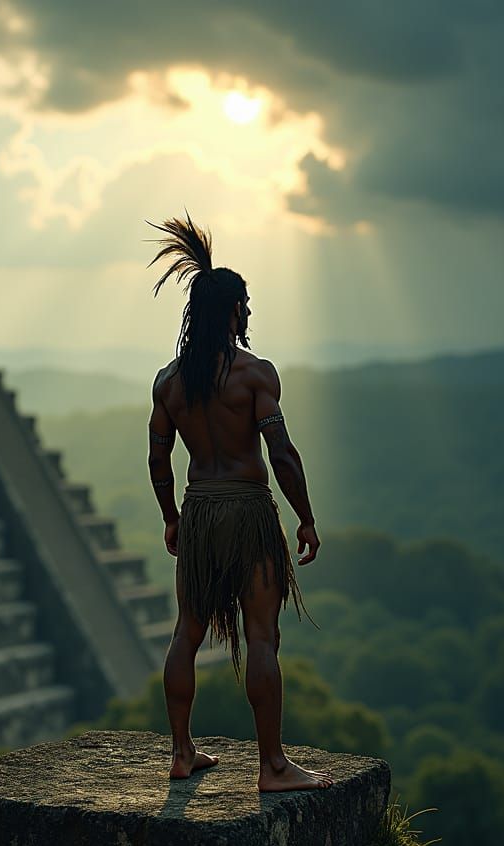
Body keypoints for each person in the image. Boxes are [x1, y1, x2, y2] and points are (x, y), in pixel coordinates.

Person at [145, 213, 329, 792]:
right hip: (248, 512)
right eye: (244, 305)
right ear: (229, 312)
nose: (248, 313)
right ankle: (272, 766)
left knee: (187, 632)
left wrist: (171, 518)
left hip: (199, 511)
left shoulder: (169, 382)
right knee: (262, 638)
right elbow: (282, 454)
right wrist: (306, 518)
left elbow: (157, 460)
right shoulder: (254, 375)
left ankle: (182, 752)